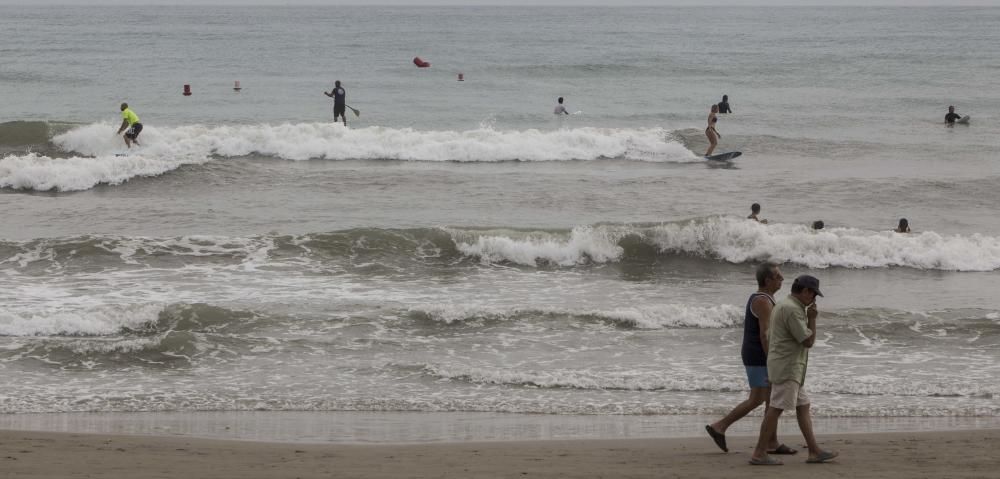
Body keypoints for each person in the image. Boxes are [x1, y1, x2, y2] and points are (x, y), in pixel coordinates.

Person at [749, 275, 839, 466]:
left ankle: (814, 451)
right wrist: (812, 319)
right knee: (775, 409)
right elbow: (808, 341)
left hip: (786, 365)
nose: (814, 299)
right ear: (805, 291)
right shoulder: (792, 310)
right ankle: (759, 453)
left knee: (803, 405)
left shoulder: (784, 305)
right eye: (813, 294)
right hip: (787, 367)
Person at [706, 263, 792, 455]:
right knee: (759, 398)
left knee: (768, 399)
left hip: (757, 353)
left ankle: (772, 441)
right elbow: (765, 335)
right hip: (758, 355)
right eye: (778, 276)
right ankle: (720, 426)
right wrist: (772, 360)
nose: (782, 279)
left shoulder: (766, 299)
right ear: (768, 280)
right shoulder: (762, 301)